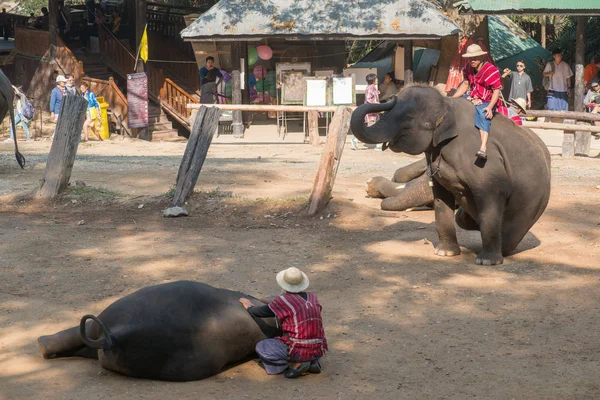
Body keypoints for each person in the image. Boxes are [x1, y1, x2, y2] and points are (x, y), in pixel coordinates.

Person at [239, 267, 327, 379]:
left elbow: (259, 312)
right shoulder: (312, 297)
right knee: (309, 338)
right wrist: (270, 302)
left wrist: (248, 305)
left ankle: (295, 365)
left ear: (284, 284)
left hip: (298, 346)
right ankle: (313, 360)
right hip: (318, 345)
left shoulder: (283, 301)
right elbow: (297, 306)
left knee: (262, 347)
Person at [451, 43, 502, 160]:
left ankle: (483, 147)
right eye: (470, 58)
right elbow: (465, 84)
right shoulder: (468, 68)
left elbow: (496, 90)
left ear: (481, 57)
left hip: (487, 100)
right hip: (472, 97)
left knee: (483, 114)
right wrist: (453, 98)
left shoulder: (492, 70)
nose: (472, 60)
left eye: (474, 58)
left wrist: (489, 107)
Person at [351, 73, 383, 151]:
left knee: (373, 128)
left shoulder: (372, 88)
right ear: (373, 80)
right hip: (371, 113)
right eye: (376, 79)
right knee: (374, 129)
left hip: (373, 112)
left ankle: (378, 144)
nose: (377, 80)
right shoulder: (370, 88)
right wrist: (377, 104)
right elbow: (369, 99)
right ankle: (378, 145)